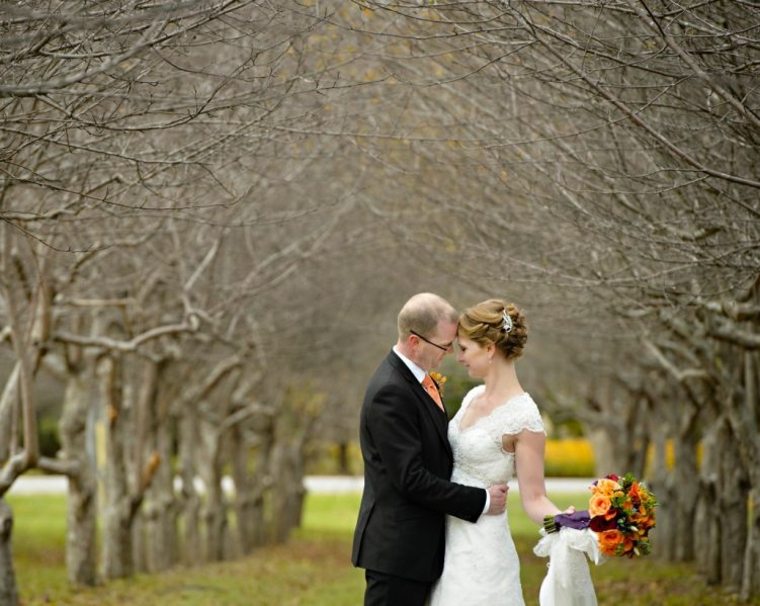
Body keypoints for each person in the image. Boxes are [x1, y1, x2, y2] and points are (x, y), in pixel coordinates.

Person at [351, 293, 509, 606]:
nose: (450, 353)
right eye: (444, 345)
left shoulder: (419, 381)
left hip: (419, 552)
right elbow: (411, 479)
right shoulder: (390, 392)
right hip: (397, 554)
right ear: (415, 342)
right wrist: (482, 499)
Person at [428, 298, 573, 606]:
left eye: (465, 349)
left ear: (490, 348)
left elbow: (534, 498)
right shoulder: (472, 396)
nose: (459, 358)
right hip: (443, 541)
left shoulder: (525, 418)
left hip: (482, 550)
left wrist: (564, 520)